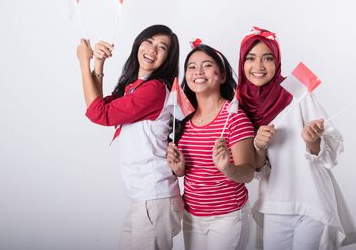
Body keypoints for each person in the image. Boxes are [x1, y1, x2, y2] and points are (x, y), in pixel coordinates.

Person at [237, 27, 356, 250]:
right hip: (275, 204)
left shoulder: (297, 92)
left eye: (268, 58)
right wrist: (259, 146)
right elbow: (257, 170)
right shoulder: (240, 106)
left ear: (277, 61)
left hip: (311, 201)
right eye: (251, 58)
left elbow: (333, 145)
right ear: (241, 62)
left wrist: (312, 140)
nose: (258, 66)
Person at [76, 24, 183, 250]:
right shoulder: (135, 86)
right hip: (144, 199)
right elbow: (102, 105)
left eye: (161, 47)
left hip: (154, 198)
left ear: (168, 58)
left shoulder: (154, 89)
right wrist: (99, 62)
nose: (152, 49)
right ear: (139, 43)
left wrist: (83, 63)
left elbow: (98, 114)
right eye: (149, 41)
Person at [166, 41, 255, 250]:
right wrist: (179, 169)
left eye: (207, 65)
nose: (198, 71)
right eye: (191, 67)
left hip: (227, 218)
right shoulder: (183, 119)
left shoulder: (234, 117)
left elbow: (248, 173)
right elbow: (191, 172)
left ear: (222, 75)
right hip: (191, 215)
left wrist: (228, 169)